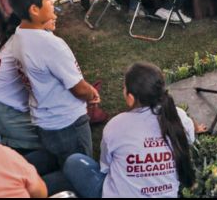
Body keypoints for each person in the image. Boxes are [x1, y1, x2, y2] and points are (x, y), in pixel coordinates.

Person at [62, 62, 194, 198]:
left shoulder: (116, 126)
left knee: (74, 161)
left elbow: (106, 167)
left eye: (124, 88)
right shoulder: (180, 118)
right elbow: (188, 142)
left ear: (130, 98)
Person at [8, 0, 99, 167]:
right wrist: (91, 94)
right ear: (34, 9)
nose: (52, 3)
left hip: (45, 121)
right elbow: (78, 89)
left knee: (58, 166)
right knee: (79, 173)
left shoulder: (17, 37)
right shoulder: (51, 45)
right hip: (68, 122)